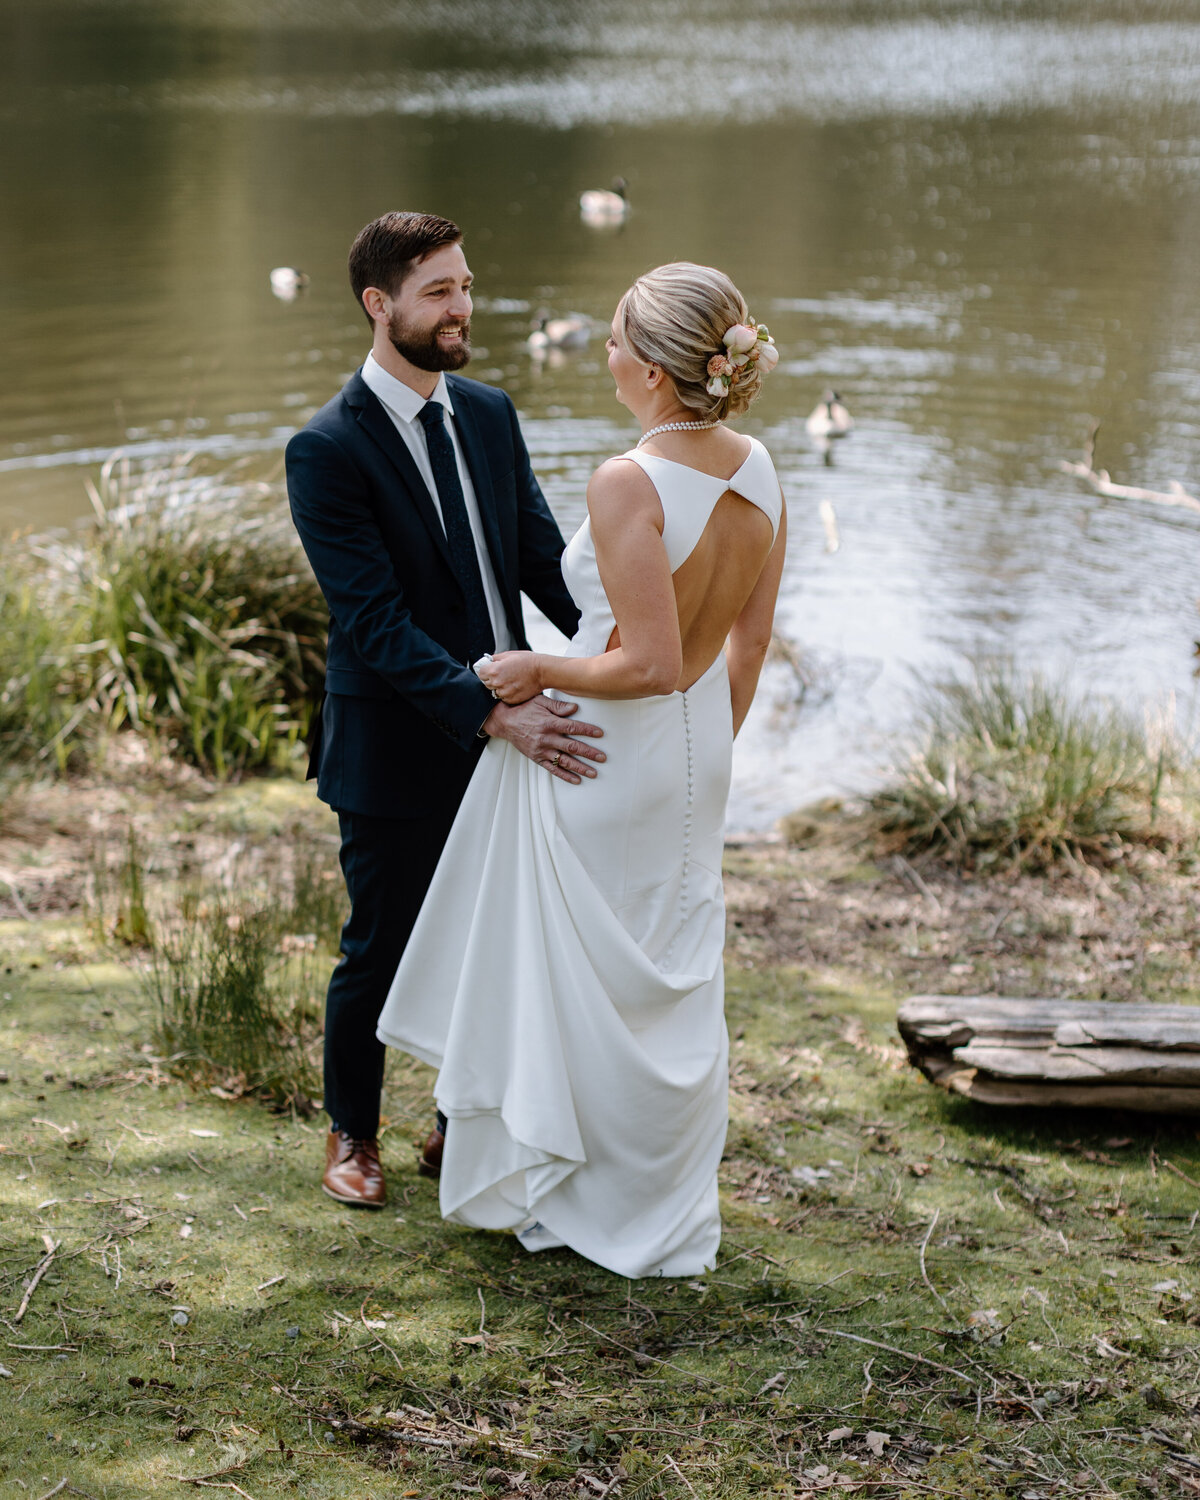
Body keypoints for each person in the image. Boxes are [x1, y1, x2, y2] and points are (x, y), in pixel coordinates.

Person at [376, 262, 787, 1277]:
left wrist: (529, 668)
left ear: (650, 370)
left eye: (612, 340)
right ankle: (665, 1208)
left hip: (606, 752)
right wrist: (711, 759)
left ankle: (576, 1197)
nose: (602, 353)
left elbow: (642, 663)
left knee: (582, 979)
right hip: (695, 762)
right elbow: (744, 647)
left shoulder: (629, 480)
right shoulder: (761, 468)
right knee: (670, 979)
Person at [286, 211, 605, 1210]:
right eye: (439, 291)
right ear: (381, 306)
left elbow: (541, 562)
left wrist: (626, 646)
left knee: (487, 936)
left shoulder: (493, 413)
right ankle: (352, 1133)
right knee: (380, 944)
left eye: (465, 285)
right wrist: (490, 712)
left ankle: (456, 1121)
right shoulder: (326, 448)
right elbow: (374, 623)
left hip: (499, 731)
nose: (463, 306)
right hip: (393, 743)